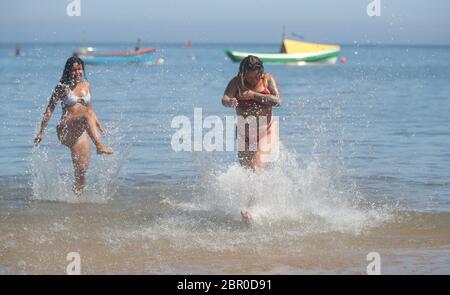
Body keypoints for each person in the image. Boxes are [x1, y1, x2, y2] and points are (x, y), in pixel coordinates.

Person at [34, 56, 113, 195]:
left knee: (81, 172)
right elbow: (49, 110)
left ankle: (76, 203)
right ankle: (99, 146)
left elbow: (90, 110)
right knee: (85, 115)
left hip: (81, 130)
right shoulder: (61, 88)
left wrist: (99, 124)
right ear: (68, 71)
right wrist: (41, 132)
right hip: (65, 128)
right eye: (74, 70)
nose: (77, 72)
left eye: (80, 69)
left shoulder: (87, 85)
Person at [222, 55, 282, 221]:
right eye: (248, 76)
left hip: (266, 130)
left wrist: (254, 96)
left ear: (260, 71)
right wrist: (231, 101)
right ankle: (253, 204)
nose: (251, 79)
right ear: (243, 72)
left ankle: (251, 209)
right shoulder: (236, 82)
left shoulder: (268, 79)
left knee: (255, 167)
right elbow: (224, 98)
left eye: (255, 75)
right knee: (248, 172)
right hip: (244, 132)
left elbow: (278, 101)